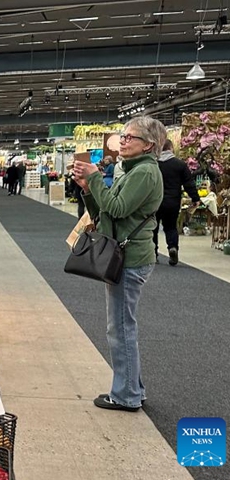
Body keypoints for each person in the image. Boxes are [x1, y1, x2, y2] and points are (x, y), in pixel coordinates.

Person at [73, 116, 164, 412]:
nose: (122, 141)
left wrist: (96, 178)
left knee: (121, 329)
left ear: (148, 145)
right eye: (122, 136)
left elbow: (117, 207)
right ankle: (132, 388)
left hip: (130, 259)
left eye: (129, 137)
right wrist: (88, 188)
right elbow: (107, 213)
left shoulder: (145, 173)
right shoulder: (132, 170)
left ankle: (126, 395)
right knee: (122, 326)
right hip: (124, 255)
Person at [155, 139, 200, 266]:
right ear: (171, 148)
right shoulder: (180, 164)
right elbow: (189, 183)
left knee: (153, 227)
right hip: (172, 201)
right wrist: (195, 198)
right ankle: (172, 248)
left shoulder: (154, 164)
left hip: (155, 201)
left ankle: (153, 253)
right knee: (170, 227)